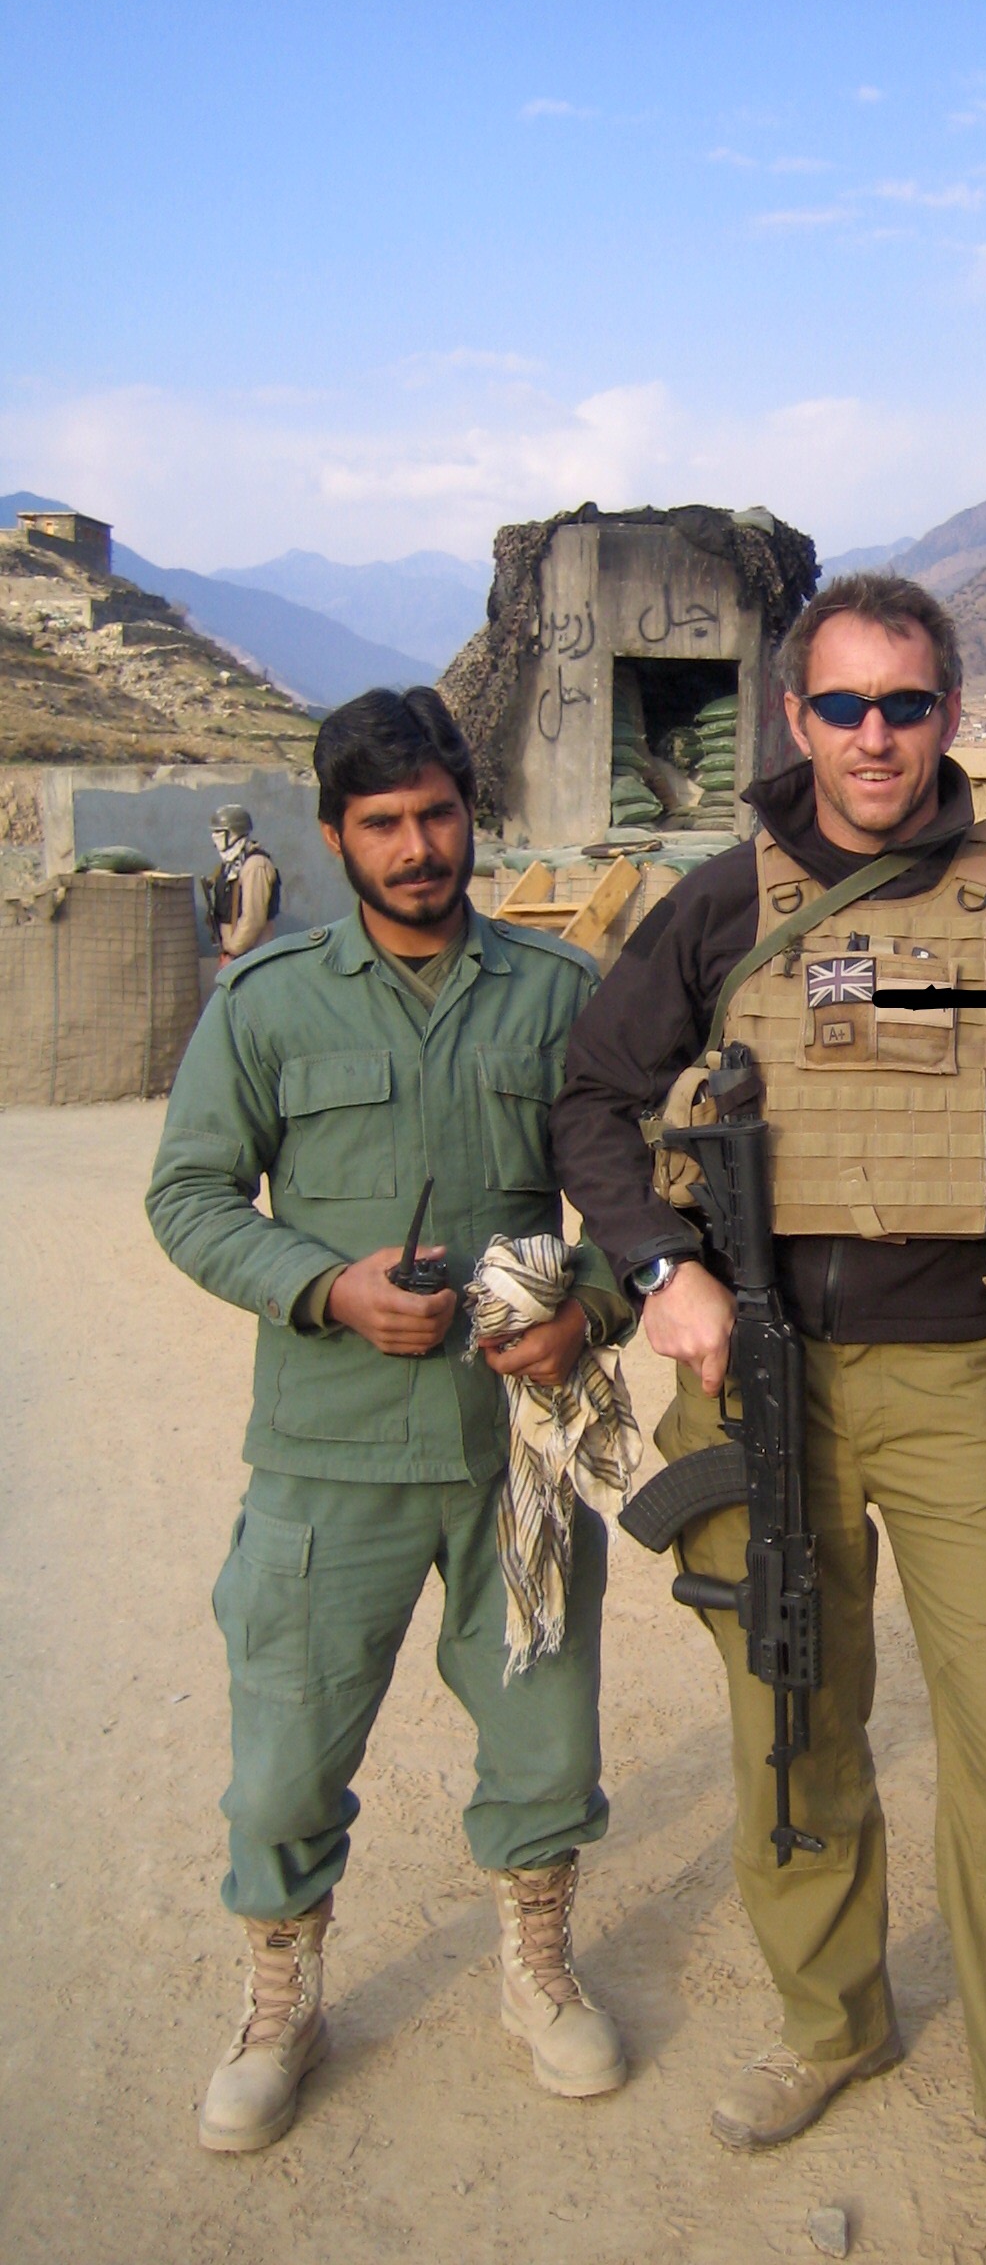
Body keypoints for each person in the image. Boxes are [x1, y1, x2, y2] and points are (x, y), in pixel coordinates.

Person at [554, 573, 986, 2261]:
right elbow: (592, 1100)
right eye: (841, 705)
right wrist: (656, 1270)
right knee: (792, 1724)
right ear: (792, 720)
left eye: (904, 703)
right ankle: (830, 2024)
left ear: (949, 713)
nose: (873, 735)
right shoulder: (712, 905)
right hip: (751, 1380)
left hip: (960, 1388)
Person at [148, 688, 631, 2153]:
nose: (417, 848)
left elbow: (631, 1194)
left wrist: (588, 1310)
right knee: (288, 1755)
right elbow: (187, 1197)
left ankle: (539, 1967)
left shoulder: (558, 995)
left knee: (545, 1737)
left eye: (436, 815)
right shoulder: (267, 1002)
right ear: (333, 832)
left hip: (517, 1458)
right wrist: (326, 1287)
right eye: (382, 824)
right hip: (328, 1455)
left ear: (466, 813)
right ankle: (280, 1995)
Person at [206, 803, 281, 961]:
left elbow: (253, 919)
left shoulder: (255, 865)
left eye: (219, 832)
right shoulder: (229, 866)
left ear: (233, 833)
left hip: (251, 956)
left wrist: (233, 952)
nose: (214, 838)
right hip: (234, 955)